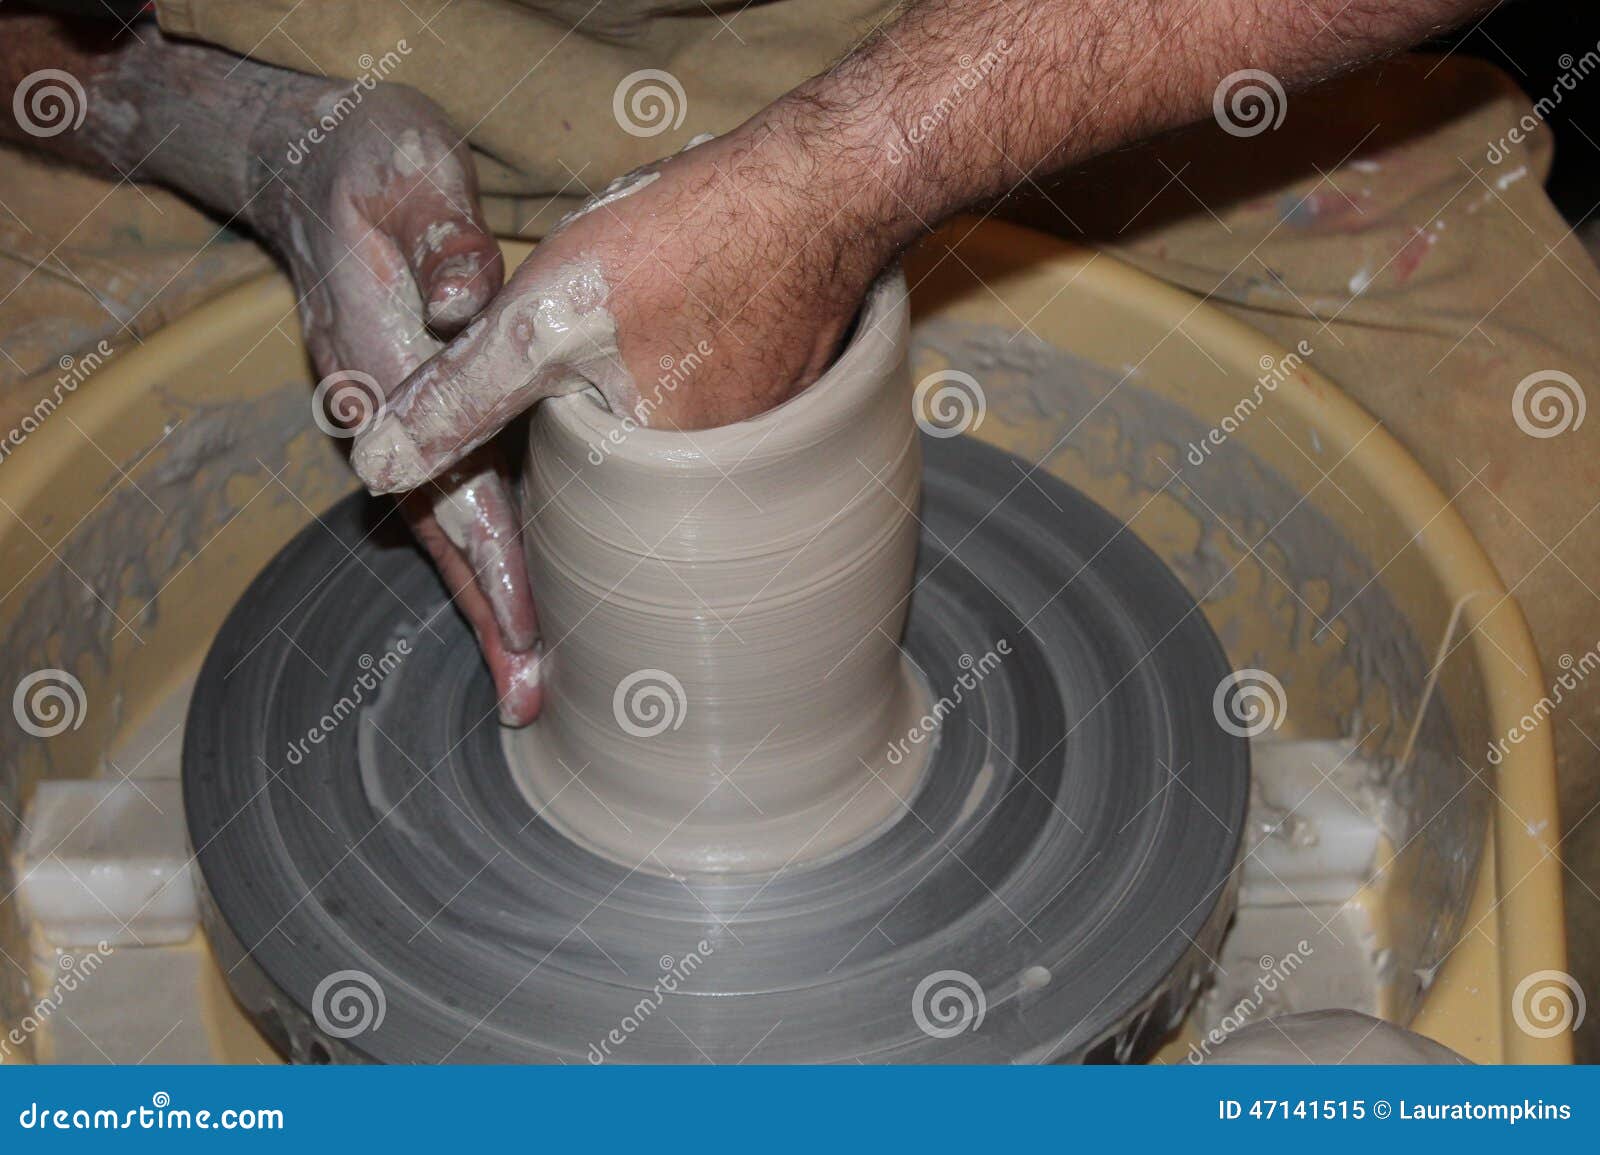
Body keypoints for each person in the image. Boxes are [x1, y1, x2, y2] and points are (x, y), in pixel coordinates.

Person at [0, 0, 1540, 730]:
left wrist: (849, 172)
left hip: (1064, 66)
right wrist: (253, 134)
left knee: (1548, 574)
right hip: (267, 74)